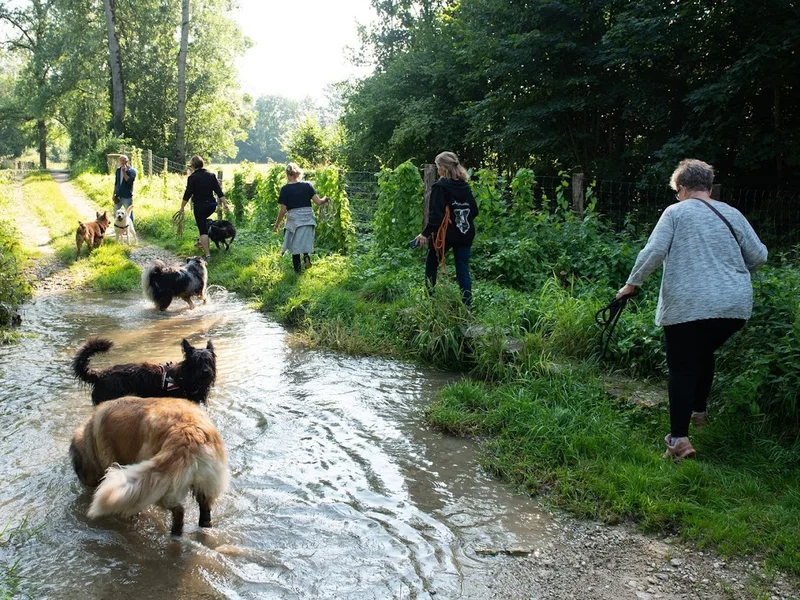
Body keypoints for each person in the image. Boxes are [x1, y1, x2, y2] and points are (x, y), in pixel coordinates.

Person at [616, 159, 768, 460]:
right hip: (733, 306)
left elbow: (654, 251)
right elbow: (759, 256)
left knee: (682, 367)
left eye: (676, 191)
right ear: (708, 187)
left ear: (682, 188)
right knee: (701, 353)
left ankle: (679, 441)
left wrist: (631, 285)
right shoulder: (732, 213)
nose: (677, 196)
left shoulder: (676, 212)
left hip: (689, 303)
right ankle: (699, 413)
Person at [414, 151, 479, 306]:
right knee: (462, 270)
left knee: (431, 265)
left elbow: (435, 216)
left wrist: (425, 234)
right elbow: (474, 211)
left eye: (438, 167)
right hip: (465, 233)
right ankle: (467, 305)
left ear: (443, 168)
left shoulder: (440, 187)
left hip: (446, 235)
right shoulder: (464, 186)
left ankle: (430, 299)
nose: (437, 170)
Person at [273, 163, 329, 274]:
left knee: (294, 247)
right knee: (304, 242)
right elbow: (318, 202)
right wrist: (325, 199)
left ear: (288, 175)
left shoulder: (285, 189)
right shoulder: (308, 185)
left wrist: (277, 224)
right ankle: (306, 256)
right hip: (308, 219)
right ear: (298, 173)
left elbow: (283, 210)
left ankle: (297, 273)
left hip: (294, 222)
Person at [177, 155, 231, 261]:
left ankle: (207, 255)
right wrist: (225, 203)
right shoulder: (211, 175)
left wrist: (182, 207)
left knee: (202, 229)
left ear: (193, 166)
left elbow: (188, 194)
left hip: (200, 207)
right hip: (211, 205)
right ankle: (201, 241)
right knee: (203, 223)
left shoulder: (192, 178)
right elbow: (218, 191)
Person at [113, 154, 136, 222]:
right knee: (116, 213)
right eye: (121, 160)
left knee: (129, 213)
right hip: (118, 196)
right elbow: (116, 183)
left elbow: (129, 181)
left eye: (124, 160)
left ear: (127, 161)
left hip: (127, 196)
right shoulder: (118, 170)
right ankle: (117, 227)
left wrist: (124, 172)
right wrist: (113, 194)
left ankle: (129, 227)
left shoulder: (132, 171)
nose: (122, 162)